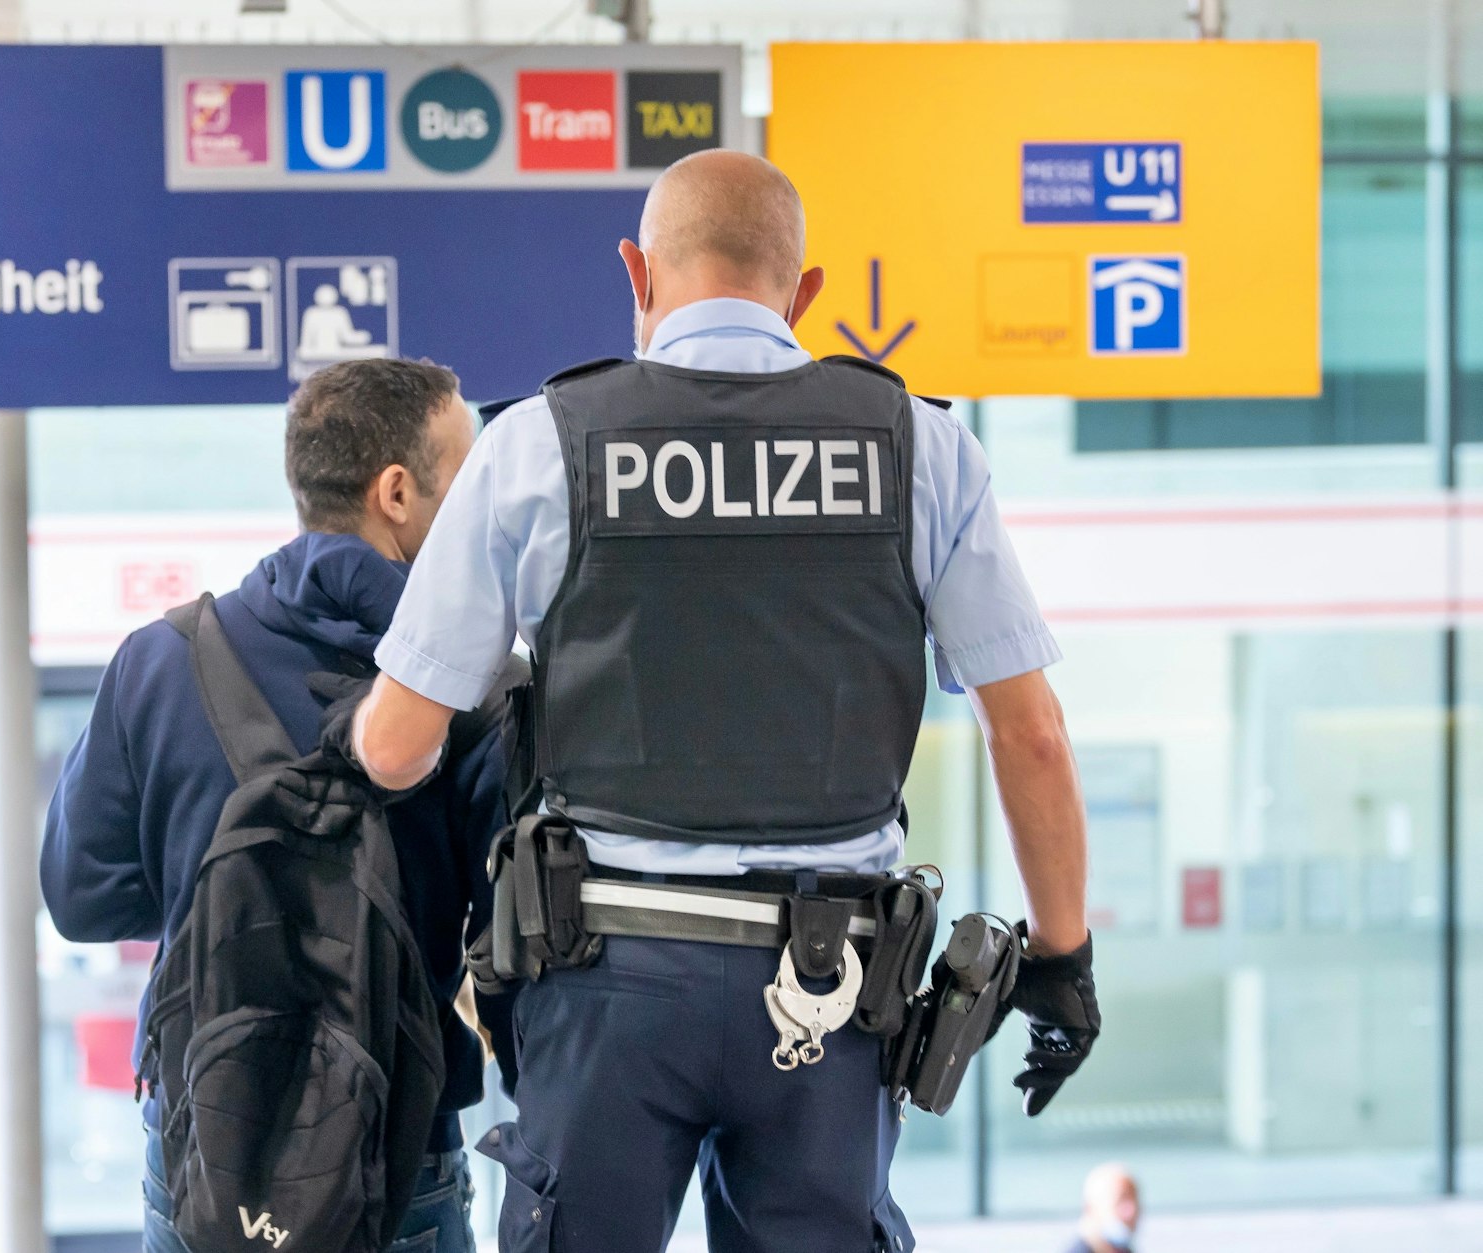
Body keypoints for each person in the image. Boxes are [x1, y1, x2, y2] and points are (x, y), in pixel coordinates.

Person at [349, 149, 1099, 1253]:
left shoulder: (537, 445)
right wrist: (1061, 960)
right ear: (803, 293)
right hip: (830, 993)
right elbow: (1029, 733)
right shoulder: (921, 446)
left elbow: (396, 748)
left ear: (636, 272)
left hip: (604, 985)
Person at [40, 357, 506, 1253]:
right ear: (396, 493)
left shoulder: (161, 661)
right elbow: (514, 952)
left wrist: (221, 888)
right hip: (397, 1152)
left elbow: (82, 900)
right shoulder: (476, 689)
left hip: (204, 1146)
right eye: (468, 477)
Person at [1066, 1163, 1140, 1253]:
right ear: (1090, 1209)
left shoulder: (1124, 1249)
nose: (1131, 1212)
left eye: (1135, 1201)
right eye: (1120, 1202)